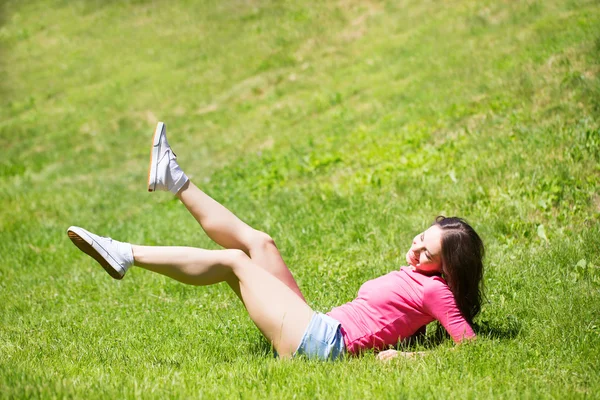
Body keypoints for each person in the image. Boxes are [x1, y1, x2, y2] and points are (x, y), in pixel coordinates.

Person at [67, 122, 485, 361]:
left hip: (324, 346)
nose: (414, 250)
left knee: (235, 261)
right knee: (260, 243)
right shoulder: (420, 276)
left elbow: (469, 347)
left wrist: (407, 359)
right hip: (318, 325)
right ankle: (173, 179)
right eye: (420, 238)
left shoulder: (434, 290)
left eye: (426, 253)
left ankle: (126, 254)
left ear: (446, 268)